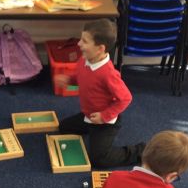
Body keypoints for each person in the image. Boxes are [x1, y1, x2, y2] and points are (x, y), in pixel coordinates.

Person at [54, 18, 145, 168]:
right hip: (89, 115)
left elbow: (125, 98)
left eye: (84, 41)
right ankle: (90, 129)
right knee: (63, 127)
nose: (79, 44)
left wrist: (104, 116)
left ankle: (140, 151)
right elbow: (83, 77)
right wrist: (69, 79)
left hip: (105, 122)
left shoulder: (108, 74)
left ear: (100, 49)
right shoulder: (84, 59)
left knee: (99, 160)